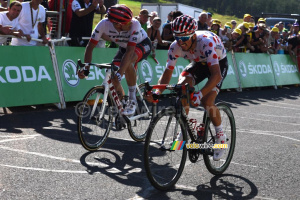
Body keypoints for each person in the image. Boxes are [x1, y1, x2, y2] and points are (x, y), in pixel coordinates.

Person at [147, 15, 228, 161]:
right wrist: (158, 91)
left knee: (206, 101)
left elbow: (216, 75)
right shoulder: (174, 47)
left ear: (193, 36)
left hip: (218, 64)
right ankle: (184, 129)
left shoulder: (205, 43)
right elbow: (167, 73)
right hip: (198, 63)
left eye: (185, 39)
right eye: (178, 38)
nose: (181, 43)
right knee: (182, 86)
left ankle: (220, 135)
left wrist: (200, 94)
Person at [78, 5, 151, 116]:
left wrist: (120, 74)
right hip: (124, 48)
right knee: (113, 78)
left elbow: (130, 51)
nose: (130, 24)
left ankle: (132, 100)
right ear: (117, 24)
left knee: (127, 63)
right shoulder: (103, 24)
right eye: (127, 23)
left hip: (142, 44)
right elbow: (90, 47)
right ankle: (122, 103)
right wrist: (86, 68)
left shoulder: (135, 24)